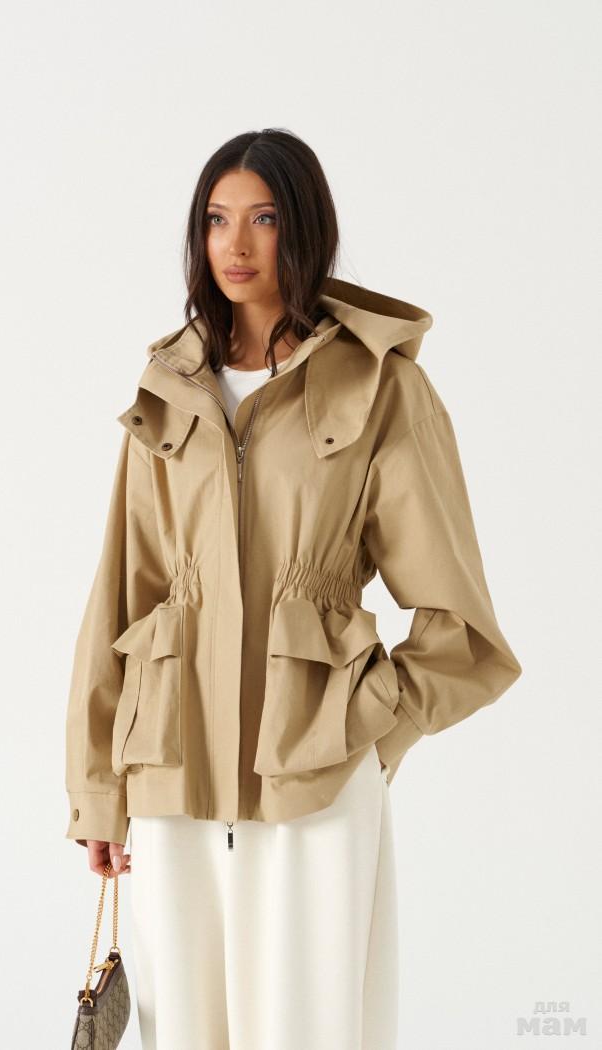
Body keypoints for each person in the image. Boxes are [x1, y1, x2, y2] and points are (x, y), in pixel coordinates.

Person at [64, 128, 522, 1050]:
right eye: (217, 219)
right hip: (172, 772)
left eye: (264, 219)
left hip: (316, 776)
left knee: (306, 1030)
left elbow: (462, 629)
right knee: (183, 1032)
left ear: (304, 228)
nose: (236, 244)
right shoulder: (169, 385)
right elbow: (122, 596)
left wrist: (367, 731)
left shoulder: (379, 387)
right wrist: (98, 791)